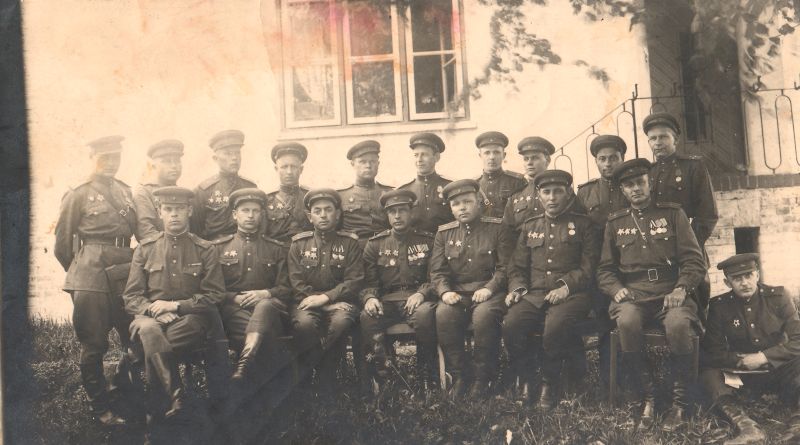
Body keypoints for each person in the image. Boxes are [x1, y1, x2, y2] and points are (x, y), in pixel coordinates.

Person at [597, 158, 706, 430]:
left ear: (649, 184)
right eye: (629, 185)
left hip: (671, 291)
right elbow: (605, 269)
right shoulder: (615, 223)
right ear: (623, 190)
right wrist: (616, 289)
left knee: (678, 324)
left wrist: (681, 288)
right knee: (627, 321)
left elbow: (694, 261)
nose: (636, 189)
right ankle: (649, 397)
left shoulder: (673, 214)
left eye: (640, 182)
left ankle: (679, 404)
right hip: (634, 294)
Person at [122, 186, 229, 422]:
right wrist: (154, 311)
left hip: (189, 320)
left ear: (189, 211)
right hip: (149, 318)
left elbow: (215, 295)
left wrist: (176, 306)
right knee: (149, 329)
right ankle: (176, 395)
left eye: (179, 209)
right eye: (168, 209)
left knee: (151, 343)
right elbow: (131, 297)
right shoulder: (145, 249)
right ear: (159, 212)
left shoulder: (205, 249)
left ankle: (156, 413)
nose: (174, 214)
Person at [54, 135, 137, 426]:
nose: (111, 163)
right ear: (92, 158)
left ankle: (119, 389)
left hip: (125, 270)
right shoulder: (78, 194)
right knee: (94, 344)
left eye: (116, 157)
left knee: (135, 337)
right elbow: (62, 246)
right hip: (91, 275)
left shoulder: (126, 191)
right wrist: (83, 272)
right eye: (105, 158)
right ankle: (100, 408)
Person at [504, 170, 600, 408]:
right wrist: (517, 289)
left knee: (554, 327)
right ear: (539, 195)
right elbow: (517, 267)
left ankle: (549, 383)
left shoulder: (584, 225)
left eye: (558, 191)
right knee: (512, 324)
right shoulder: (530, 226)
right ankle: (527, 379)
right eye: (546, 192)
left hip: (573, 295)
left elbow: (588, 267)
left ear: (568, 194)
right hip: (534, 294)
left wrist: (566, 287)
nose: (552, 197)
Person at [701, 253, 800, 444]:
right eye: (737, 278)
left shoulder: (778, 297)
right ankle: (748, 428)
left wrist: (764, 356)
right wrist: (740, 360)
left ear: (757, 275)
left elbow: (798, 339)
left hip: (779, 371)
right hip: (743, 377)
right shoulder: (719, 306)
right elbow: (712, 352)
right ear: (727, 282)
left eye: (748, 275)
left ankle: (797, 427)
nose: (744, 282)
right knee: (708, 374)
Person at [431, 179, 513, 398]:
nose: (462, 207)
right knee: (444, 315)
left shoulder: (497, 228)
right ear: (451, 208)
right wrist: (445, 292)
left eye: (467, 201)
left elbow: (505, 267)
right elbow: (437, 272)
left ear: (478, 202)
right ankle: (459, 376)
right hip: (456, 293)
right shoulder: (444, 234)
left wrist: (490, 288)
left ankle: (482, 378)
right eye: (456, 204)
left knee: (484, 317)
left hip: (490, 293)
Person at [358, 189, 438, 391]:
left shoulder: (428, 241)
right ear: (387, 215)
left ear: (411, 212)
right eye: (392, 212)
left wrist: (421, 293)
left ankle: (427, 375)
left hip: (418, 298)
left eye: (402, 210)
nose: (397, 216)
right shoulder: (375, 244)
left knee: (425, 315)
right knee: (368, 317)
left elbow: (435, 276)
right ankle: (385, 378)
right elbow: (368, 282)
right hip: (388, 301)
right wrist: (370, 298)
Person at [213, 188, 292, 386]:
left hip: (272, 309)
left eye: (255, 211)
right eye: (245, 210)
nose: (250, 215)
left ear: (262, 214)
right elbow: (212, 289)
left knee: (265, 306)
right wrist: (233, 297)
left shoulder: (276, 248)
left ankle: (244, 367)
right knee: (267, 336)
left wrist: (265, 293)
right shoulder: (218, 248)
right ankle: (271, 387)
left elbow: (286, 288)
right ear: (234, 215)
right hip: (235, 310)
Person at [288, 189, 364, 392]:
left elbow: (354, 281)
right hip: (306, 303)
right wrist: (325, 304)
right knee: (304, 325)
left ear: (337, 214)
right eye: (317, 210)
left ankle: (326, 377)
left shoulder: (350, 243)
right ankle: (308, 378)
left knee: (341, 323)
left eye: (328, 210)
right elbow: (296, 283)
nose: (323, 215)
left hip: (342, 302)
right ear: (309, 216)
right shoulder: (298, 244)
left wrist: (327, 298)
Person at [645, 112, 718, 317]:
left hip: (688, 249)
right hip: (657, 252)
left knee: (696, 300)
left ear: (675, 139)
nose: (657, 142)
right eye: (652, 138)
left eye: (663, 137)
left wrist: (688, 245)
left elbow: (708, 215)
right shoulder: (647, 173)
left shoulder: (693, 167)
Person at [575, 134, 628, 393]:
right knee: (604, 321)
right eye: (602, 159)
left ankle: (630, 374)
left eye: (613, 158)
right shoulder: (586, 192)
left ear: (622, 159)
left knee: (627, 320)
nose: (608, 164)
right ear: (596, 161)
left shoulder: (632, 186)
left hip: (629, 267)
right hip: (599, 268)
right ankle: (609, 380)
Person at [191, 129, 257, 241]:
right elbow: (196, 231)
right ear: (215, 159)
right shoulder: (203, 191)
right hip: (214, 248)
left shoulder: (250, 188)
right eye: (228, 153)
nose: (234, 158)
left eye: (237, 152)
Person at [338, 140, 393, 247]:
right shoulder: (341, 196)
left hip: (383, 247)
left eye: (372, 161)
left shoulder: (389, 193)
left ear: (378, 164)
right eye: (362, 162)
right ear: (353, 164)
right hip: (353, 249)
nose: (368, 165)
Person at [397, 132, 453, 234]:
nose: (419, 160)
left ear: (436, 157)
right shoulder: (404, 191)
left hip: (445, 241)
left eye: (424, 155)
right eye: (416, 155)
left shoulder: (449, 187)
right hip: (415, 242)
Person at [132, 139, 184, 241]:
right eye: (167, 161)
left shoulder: (183, 193)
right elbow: (146, 232)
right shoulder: (144, 192)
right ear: (154, 166)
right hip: (158, 249)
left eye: (177, 161)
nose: (174, 166)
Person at [501, 136, 555, 234]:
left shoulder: (559, 191)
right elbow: (507, 232)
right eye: (526, 159)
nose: (529, 163)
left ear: (547, 160)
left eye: (535, 158)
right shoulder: (516, 196)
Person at [263, 142, 312, 243]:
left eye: (293, 167)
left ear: (301, 169)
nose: (289, 172)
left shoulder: (310, 197)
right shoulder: (267, 199)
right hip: (276, 251)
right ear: (276, 169)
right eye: (284, 167)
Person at [474, 131, 527, 219]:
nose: (492, 157)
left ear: (504, 155)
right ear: (480, 155)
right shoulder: (474, 185)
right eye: (487, 153)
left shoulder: (517, 182)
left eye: (496, 152)